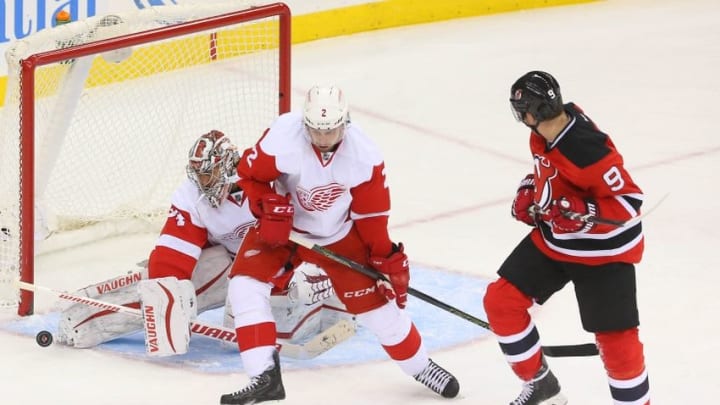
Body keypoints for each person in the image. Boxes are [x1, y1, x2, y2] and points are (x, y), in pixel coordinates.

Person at [220, 85, 460, 404]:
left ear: (345, 121)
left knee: (378, 312)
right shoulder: (282, 137)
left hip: (339, 237)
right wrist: (266, 204)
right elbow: (249, 176)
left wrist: (385, 257)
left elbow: (372, 217)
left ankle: (421, 366)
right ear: (304, 123)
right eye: (315, 131)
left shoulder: (365, 156)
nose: (322, 139)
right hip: (285, 230)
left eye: (330, 130)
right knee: (244, 287)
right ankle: (264, 377)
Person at [57, 130, 351, 355]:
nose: (201, 181)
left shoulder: (272, 175)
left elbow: (320, 220)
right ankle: (89, 319)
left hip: (284, 260)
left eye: (207, 174)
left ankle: (325, 296)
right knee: (174, 288)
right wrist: (165, 295)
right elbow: (174, 251)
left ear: (226, 166)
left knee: (263, 312)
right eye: (198, 174)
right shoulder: (191, 196)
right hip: (229, 262)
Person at [483, 71, 650, 405]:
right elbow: (554, 173)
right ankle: (543, 388)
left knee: (617, 344)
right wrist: (536, 192)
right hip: (557, 240)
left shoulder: (585, 149)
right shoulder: (547, 130)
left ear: (528, 113)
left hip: (606, 251)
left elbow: (630, 203)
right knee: (501, 302)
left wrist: (583, 212)